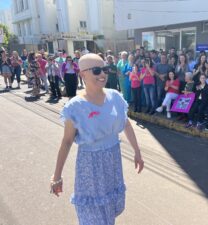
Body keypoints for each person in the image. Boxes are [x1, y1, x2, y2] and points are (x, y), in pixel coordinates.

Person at [50, 53, 144, 225]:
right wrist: (57, 176)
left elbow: (126, 124)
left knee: (109, 211)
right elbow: (67, 141)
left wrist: (137, 152)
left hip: (113, 162)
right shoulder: (75, 106)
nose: (102, 74)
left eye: (105, 69)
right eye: (96, 70)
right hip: (90, 166)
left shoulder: (115, 96)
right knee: (94, 216)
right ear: (82, 74)